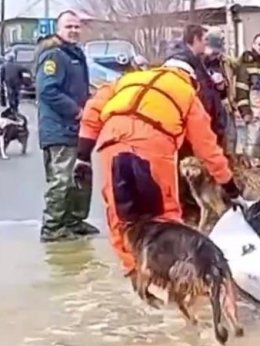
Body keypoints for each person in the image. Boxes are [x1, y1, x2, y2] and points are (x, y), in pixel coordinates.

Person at [74, 58, 243, 275]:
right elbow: (207, 149)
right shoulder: (187, 93)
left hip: (112, 143)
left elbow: (92, 111)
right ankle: (167, 275)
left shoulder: (127, 79)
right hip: (154, 146)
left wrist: (83, 155)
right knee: (164, 215)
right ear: (191, 79)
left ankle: (134, 273)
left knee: (119, 215)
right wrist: (229, 186)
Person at [36, 10, 97, 243]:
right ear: (58, 29)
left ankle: (74, 221)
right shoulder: (54, 56)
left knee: (79, 177)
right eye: (68, 27)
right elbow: (47, 90)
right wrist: (76, 110)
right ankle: (52, 227)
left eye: (76, 26)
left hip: (78, 130)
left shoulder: (75, 54)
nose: (73, 30)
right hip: (59, 129)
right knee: (61, 179)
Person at [166, 24, 227, 146]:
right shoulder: (181, 65)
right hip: (194, 132)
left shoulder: (196, 61)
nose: (206, 44)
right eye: (204, 40)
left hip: (207, 127)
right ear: (195, 39)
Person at [232, 34, 260, 158]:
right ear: (254, 45)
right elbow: (241, 91)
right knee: (252, 151)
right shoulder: (246, 65)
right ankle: (253, 176)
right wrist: (246, 112)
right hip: (254, 115)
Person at [204, 31, 237, 154]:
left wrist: (223, 87)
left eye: (218, 52)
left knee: (229, 138)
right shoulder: (198, 63)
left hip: (223, 104)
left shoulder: (226, 62)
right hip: (205, 107)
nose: (215, 55)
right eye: (213, 51)